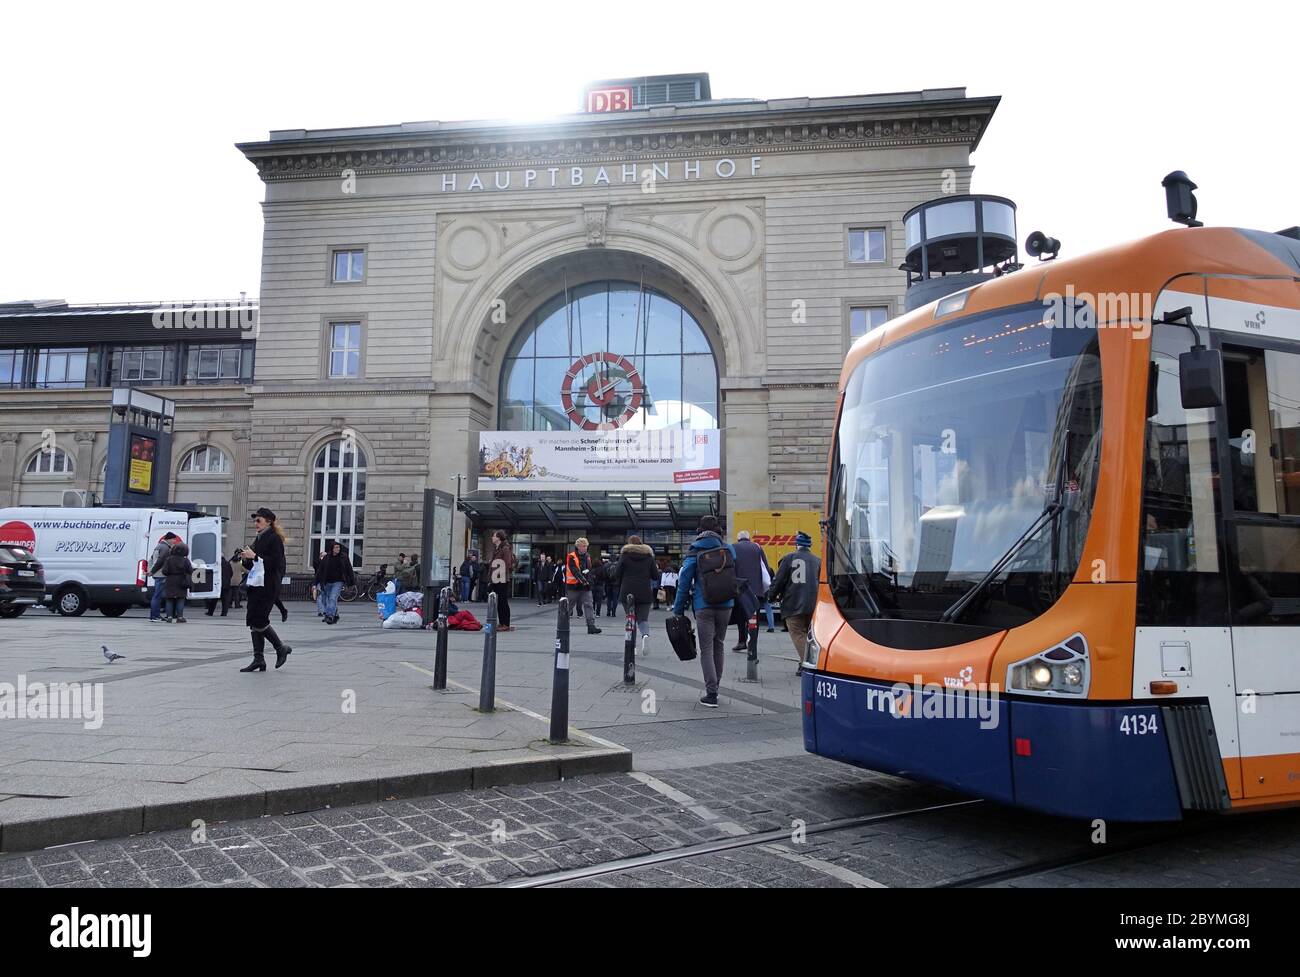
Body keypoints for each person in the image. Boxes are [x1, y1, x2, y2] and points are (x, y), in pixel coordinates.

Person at [672, 515, 738, 708]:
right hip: (726, 605)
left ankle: (711, 693)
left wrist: (678, 610)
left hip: (704, 606)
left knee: (707, 649)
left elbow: (684, 582)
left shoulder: (695, 550)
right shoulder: (728, 549)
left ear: (699, 531)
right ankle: (715, 686)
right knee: (719, 644)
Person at [238, 508, 293, 673]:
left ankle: (280, 647)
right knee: (253, 621)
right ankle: (258, 659)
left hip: (268, 586)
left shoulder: (274, 538)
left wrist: (254, 556)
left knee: (259, 620)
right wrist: (244, 558)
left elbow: (274, 563)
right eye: (255, 520)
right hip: (256, 585)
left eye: (258, 520)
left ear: (268, 521)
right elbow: (253, 565)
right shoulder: (259, 538)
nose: (256, 523)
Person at [766, 531, 822, 661]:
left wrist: (771, 597)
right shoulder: (817, 561)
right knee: (810, 635)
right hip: (814, 604)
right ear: (809, 546)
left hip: (793, 603)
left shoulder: (789, 558)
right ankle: (810, 659)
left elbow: (778, 581)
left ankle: (806, 662)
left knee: (797, 633)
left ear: (797, 544)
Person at [731, 530, 776, 650]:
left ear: (738, 538)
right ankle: (753, 643)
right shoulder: (757, 547)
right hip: (755, 589)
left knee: (741, 617)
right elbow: (764, 568)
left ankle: (742, 641)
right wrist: (766, 587)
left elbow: (731, 567)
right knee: (753, 616)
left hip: (739, 589)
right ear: (749, 538)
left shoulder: (732, 547)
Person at [612, 535, 656, 655]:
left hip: (628, 591)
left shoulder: (625, 556)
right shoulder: (649, 557)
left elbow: (617, 573)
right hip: (645, 592)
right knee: (643, 619)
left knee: (631, 619)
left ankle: (633, 647)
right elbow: (655, 575)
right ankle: (645, 635)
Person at [565, 536, 601, 634]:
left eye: (586, 546)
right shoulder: (572, 556)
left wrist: (589, 580)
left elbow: (589, 570)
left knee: (589, 605)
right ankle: (563, 624)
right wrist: (583, 580)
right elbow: (574, 571)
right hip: (573, 586)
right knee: (570, 606)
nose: (585, 548)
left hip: (586, 587)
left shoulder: (587, 556)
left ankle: (591, 626)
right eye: (583, 546)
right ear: (578, 546)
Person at [316, 540, 355, 625]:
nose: (338, 549)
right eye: (336, 547)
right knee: (326, 600)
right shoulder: (327, 557)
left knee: (333, 598)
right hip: (327, 582)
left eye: (339, 547)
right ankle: (335, 614)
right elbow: (320, 570)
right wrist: (317, 582)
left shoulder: (343, 557)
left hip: (338, 581)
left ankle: (329, 615)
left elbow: (349, 569)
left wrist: (352, 582)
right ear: (332, 548)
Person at [148, 532, 179, 622]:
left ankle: (156, 615)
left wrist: (150, 570)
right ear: (168, 539)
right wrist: (152, 571)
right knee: (157, 596)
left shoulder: (159, 546)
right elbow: (161, 561)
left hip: (156, 574)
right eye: (173, 539)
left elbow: (151, 559)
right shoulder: (165, 548)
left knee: (157, 595)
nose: (174, 541)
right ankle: (154, 616)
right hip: (161, 574)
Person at [488, 530, 515, 631]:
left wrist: (498, 573)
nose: (492, 538)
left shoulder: (505, 549)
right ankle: (502, 622)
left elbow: (507, 563)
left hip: (502, 579)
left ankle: (506, 623)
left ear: (499, 538)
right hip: (496, 579)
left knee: (503, 601)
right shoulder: (497, 549)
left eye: (494, 536)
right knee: (499, 602)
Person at [161, 542, 192, 623]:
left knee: (169, 600)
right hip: (182, 580)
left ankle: (169, 617)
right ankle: (180, 617)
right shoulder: (186, 560)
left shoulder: (169, 559)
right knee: (180, 599)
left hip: (170, 581)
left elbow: (164, 571)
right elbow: (190, 570)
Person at [205, 550, 233, 617]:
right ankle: (224, 613)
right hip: (226, 583)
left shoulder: (216, 564)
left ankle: (210, 612)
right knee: (225, 600)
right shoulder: (227, 563)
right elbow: (231, 573)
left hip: (217, 583)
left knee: (214, 598)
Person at [312, 547, 328, 617]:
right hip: (320, 581)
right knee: (320, 597)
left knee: (327, 597)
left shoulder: (329, 563)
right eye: (324, 556)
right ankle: (321, 611)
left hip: (328, 582)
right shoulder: (318, 562)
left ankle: (325, 610)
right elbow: (317, 568)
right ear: (321, 557)